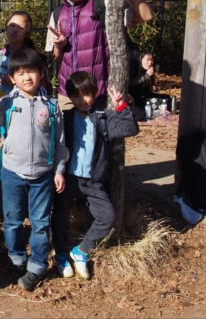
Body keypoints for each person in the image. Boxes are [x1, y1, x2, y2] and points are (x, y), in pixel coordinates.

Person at [0, 47, 69, 292]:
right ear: (11, 77)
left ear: (42, 73)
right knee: (13, 220)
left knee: (40, 222)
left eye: (32, 71)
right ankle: (16, 258)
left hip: (43, 174)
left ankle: (37, 265)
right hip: (12, 172)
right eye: (20, 73)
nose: (27, 77)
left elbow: (59, 143)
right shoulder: (6, 103)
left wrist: (59, 170)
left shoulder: (51, 105)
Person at [51, 71, 139, 280]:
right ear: (70, 97)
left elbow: (130, 128)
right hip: (69, 178)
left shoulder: (102, 117)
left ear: (95, 93)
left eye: (86, 95)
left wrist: (120, 107)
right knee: (61, 216)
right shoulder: (66, 117)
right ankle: (61, 253)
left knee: (107, 216)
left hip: (93, 180)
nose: (82, 100)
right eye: (76, 96)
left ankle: (81, 250)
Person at [45, 0, 152, 112]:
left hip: (100, 93)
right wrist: (59, 46)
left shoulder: (102, 3)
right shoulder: (57, 13)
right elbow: (57, 58)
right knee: (69, 136)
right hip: (68, 94)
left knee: (102, 136)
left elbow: (145, 15)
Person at [0, 11, 37, 95]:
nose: (15, 29)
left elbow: (37, 82)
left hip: (24, 99)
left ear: (27, 33)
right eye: (12, 25)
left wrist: (15, 82)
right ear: (6, 29)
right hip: (4, 100)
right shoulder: (1, 54)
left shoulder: (30, 55)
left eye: (21, 28)